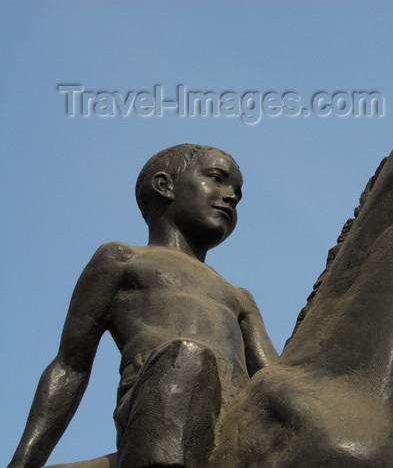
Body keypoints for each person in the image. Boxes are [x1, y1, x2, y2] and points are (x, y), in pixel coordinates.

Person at [9, 144, 279, 468]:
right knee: (189, 359)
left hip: (232, 418)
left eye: (237, 192)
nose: (231, 196)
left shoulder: (239, 296)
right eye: (217, 179)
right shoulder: (122, 259)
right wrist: (24, 463)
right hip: (158, 409)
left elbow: (274, 380)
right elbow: (70, 367)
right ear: (164, 186)